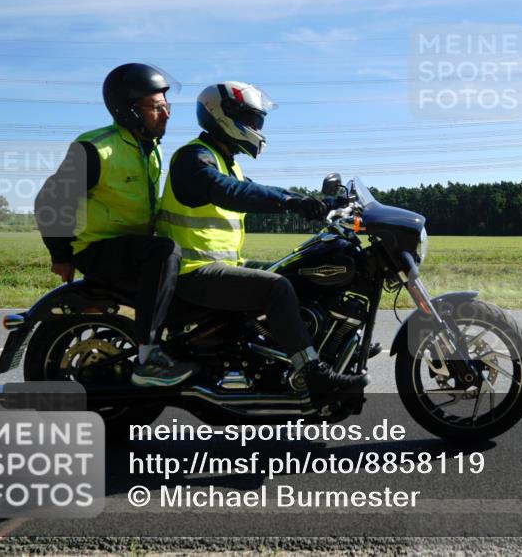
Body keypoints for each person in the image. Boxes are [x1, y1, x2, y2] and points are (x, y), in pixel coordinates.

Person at [155, 81, 368, 394]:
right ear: (222, 115)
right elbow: (230, 192)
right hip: (193, 271)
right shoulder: (194, 158)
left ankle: (326, 344)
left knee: (294, 273)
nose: (255, 128)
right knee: (276, 288)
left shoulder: (226, 162)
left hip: (220, 266)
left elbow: (263, 189)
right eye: (250, 119)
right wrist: (290, 203)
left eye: (258, 121)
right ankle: (311, 371)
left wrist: (321, 202)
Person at [34, 63, 196, 387]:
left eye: (167, 106)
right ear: (129, 110)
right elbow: (49, 201)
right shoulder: (96, 149)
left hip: (132, 249)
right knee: (164, 251)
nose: (166, 114)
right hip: (97, 248)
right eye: (156, 107)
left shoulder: (150, 149)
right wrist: (61, 255)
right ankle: (149, 357)